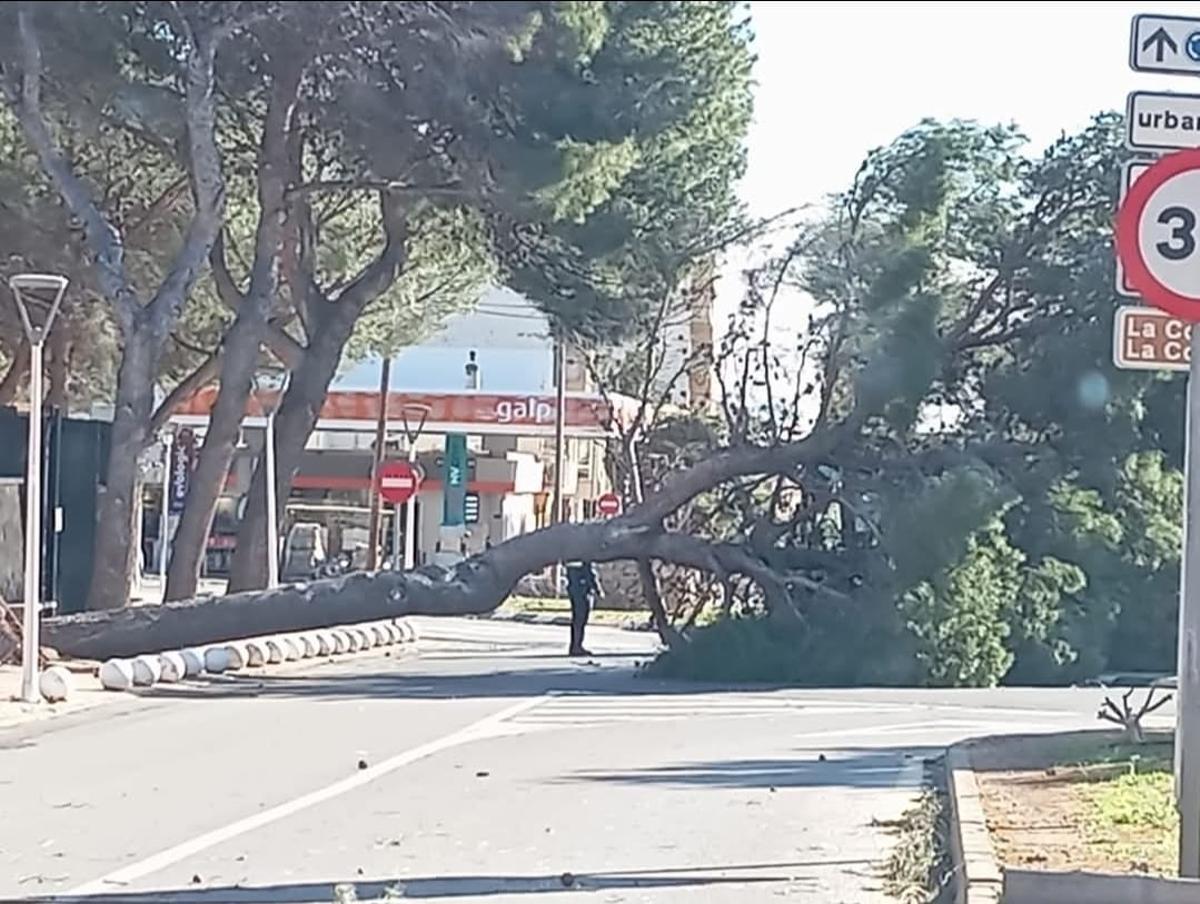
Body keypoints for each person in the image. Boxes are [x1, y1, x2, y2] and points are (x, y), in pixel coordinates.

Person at [565, 560, 600, 656]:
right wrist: (594, 586)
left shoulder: (576, 558)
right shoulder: (576, 558)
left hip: (579, 587)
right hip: (579, 588)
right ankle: (576, 646)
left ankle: (576, 645)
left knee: (580, 618)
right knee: (579, 617)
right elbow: (585, 572)